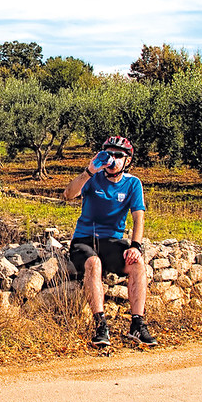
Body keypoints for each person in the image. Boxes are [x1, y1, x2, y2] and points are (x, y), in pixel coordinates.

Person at [62, 135, 157, 348]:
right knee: (93, 264)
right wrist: (89, 171)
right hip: (84, 239)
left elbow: (138, 217)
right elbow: (68, 195)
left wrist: (135, 246)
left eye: (118, 156)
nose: (112, 159)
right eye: (108, 154)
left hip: (112, 240)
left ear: (128, 161)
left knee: (137, 264)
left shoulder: (133, 184)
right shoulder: (93, 178)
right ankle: (100, 325)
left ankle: (137, 324)